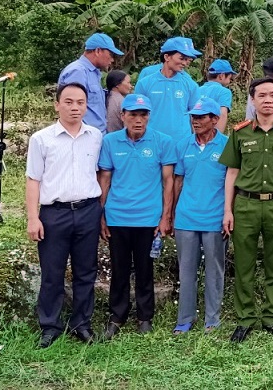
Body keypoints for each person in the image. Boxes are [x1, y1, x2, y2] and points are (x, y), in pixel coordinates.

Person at [221, 78, 273, 343]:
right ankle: (245, 318)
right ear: (252, 99)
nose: (268, 100)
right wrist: (228, 210)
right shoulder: (240, 133)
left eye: (272, 95)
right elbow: (232, 173)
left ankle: (271, 316)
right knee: (243, 264)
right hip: (245, 205)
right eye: (262, 95)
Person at [26, 82, 104, 348]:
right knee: (52, 272)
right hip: (54, 214)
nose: (75, 108)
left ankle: (81, 324)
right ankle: (50, 326)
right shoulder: (41, 139)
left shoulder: (95, 136)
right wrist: (33, 218)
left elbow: (100, 174)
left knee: (86, 271)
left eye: (80, 102)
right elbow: (33, 180)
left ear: (86, 106)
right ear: (57, 105)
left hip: (88, 211)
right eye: (68, 102)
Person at [97, 93, 176, 339]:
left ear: (149, 116)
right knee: (119, 269)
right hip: (117, 216)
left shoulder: (163, 141)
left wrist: (165, 217)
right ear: (123, 116)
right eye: (133, 114)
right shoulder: (110, 142)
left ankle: (145, 317)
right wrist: (101, 216)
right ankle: (117, 316)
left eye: (143, 115)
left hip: (148, 218)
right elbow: (104, 180)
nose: (138, 120)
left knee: (145, 269)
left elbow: (168, 181)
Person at [172, 98, 229, 335]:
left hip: (215, 218)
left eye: (201, 117)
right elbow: (177, 181)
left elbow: (232, 183)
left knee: (214, 271)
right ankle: (185, 318)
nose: (195, 121)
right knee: (186, 271)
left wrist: (229, 213)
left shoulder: (227, 145)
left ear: (215, 120)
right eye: (193, 117)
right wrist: (171, 213)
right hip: (186, 218)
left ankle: (212, 319)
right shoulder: (183, 145)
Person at [133, 37, 201, 142]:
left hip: (180, 142)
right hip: (151, 141)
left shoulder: (190, 85)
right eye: (181, 58)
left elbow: (196, 117)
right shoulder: (145, 83)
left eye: (187, 60)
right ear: (167, 57)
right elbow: (136, 114)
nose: (184, 63)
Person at [58, 32, 124, 133]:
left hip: (97, 135)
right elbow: (72, 109)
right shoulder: (78, 71)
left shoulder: (93, 73)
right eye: (110, 55)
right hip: (85, 136)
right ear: (98, 51)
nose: (112, 60)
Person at [197, 59, 236, 132]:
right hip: (211, 133)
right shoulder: (224, 92)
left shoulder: (197, 90)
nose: (229, 81)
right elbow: (222, 114)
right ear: (221, 76)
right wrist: (217, 136)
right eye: (229, 78)